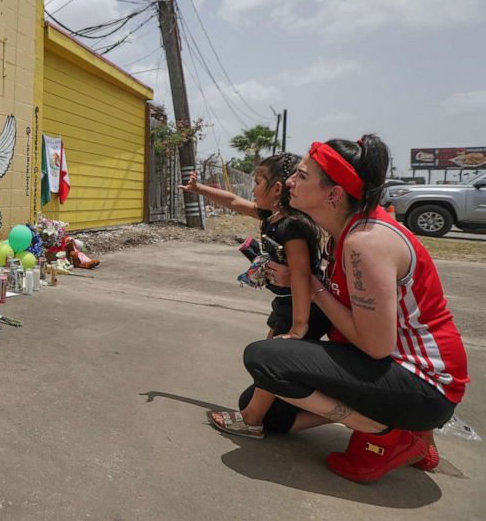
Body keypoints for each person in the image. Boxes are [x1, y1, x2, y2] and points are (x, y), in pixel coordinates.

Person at [247, 135, 468, 483]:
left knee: (266, 360)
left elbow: (376, 345)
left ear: (333, 194)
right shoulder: (342, 231)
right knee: (269, 406)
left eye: (302, 176)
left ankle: (391, 435)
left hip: (423, 384)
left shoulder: (365, 243)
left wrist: (310, 286)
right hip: (391, 370)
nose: (289, 181)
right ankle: (409, 429)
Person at [181, 154, 329, 438]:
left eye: (258, 181)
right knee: (270, 362)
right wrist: (199, 190)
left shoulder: (293, 226)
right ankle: (258, 413)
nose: (252, 188)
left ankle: (251, 419)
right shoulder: (272, 216)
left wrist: (299, 326)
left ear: (276, 189)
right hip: (287, 306)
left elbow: (300, 276)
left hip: (303, 311)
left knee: (273, 365)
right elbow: (234, 202)